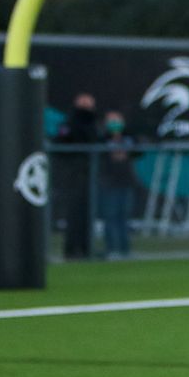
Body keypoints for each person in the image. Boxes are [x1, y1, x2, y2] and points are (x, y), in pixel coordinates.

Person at [54, 92, 100, 259]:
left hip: (89, 173)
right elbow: (61, 144)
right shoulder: (70, 123)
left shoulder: (93, 123)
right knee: (75, 213)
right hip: (74, 174)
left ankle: (86, 248)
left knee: (87, 214)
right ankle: (72, 249)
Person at [98, 111, 138, 259]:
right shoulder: (102, 139)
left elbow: (137, 150)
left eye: (118, 120)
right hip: (109, 183)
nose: (115, 124)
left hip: (126, 182)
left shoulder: (129, 138)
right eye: (112, 121)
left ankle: (125, 249)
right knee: (111, 216)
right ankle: (112, 249)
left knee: (124, 216)